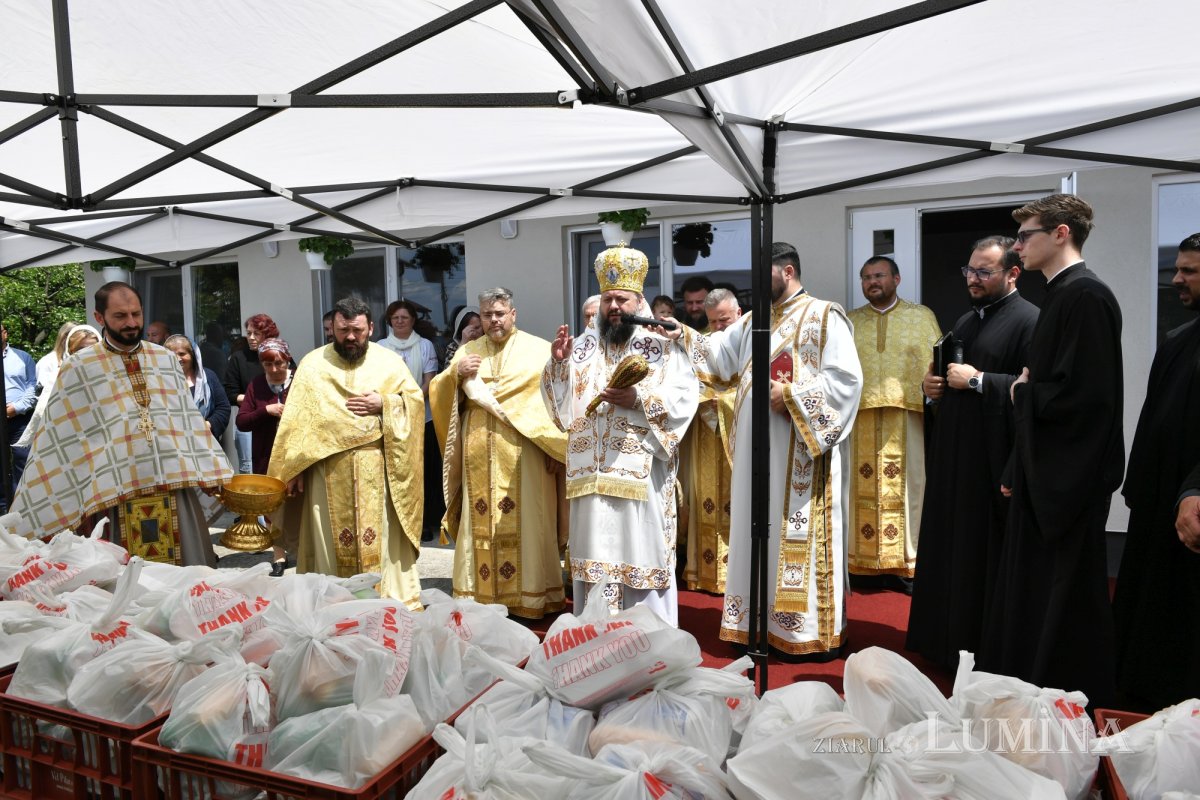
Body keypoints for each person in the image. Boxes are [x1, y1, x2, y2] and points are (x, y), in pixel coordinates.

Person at [683, 242, 862, 657]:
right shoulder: (752, 322)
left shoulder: (824, 315)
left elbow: (846, 381)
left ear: (788, 271)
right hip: (754, 455)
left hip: (797, 450)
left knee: (793, 532)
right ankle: (756, 625)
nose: (756, 284)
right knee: (755, 531)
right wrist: (679, 334)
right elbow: (718, 358)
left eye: (764, 274)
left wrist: (795, 395)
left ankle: (802, 631)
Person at [979, 194, 1123, 707]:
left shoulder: (1085, 297)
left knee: (1061, 597)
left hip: (1069, 482)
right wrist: (1019, 462)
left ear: (1061, 234)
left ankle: (1060, 697)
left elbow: (1088, 399)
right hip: (1044, 472)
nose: (1018, 247)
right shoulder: (1063, 295)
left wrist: (1022, 391)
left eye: (1026, 236)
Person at [7, 283, 230, 566]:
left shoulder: (164, 360)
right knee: (121, 577)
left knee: (185, 572)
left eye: (136, 314)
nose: (132, 323)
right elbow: (61, 437)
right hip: (111, 491)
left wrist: (209, 468)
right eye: (120, 316)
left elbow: (185, 421)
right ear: (99, 317)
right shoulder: (80, 367)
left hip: (170, 483)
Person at [543, 245, 698, 625]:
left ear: (639, 301)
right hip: (591, 483)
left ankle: (650, 643)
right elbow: (560, 409)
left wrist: (638, 400)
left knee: (639, 557)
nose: (614, 306)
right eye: (608, 298)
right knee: (594, 563)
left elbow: (685, 396)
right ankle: (595, 642)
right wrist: (559, 365)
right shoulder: (579, 348)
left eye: (622, 299)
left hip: (640, 477)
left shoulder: (662, 346)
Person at [905, 237, 1038, 669]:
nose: (973, 280)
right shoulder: (964, 321)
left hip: (991, 461)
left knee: (980, 557)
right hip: (954, 458)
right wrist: (932, 391)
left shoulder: (1030, 322)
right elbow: (949, 384)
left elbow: (1034, 395)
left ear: (1012, 273)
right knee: (949, 550)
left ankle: (976, 650)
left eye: (985, 272)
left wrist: (980, 380)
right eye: (969, 271)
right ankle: (942, 640)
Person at [268, 297, 425, 607]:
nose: (350, 337)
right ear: (333, 328)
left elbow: (415, 403)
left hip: (376, 469)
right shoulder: (314, 364)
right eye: (342, 330)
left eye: (357, 330)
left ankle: (385, 604)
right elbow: (296, 421)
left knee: (378, 543)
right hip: (325, 472)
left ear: (370, 328)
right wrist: (294, 468)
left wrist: (386, 403)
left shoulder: (389, 361)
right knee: (329, 547)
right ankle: (331, 607)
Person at [431, 288, 567, 619]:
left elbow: (555, 401)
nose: (494, 320)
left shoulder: (537, 350)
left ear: (513, 314)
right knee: (481, 521)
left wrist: (555, 446)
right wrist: (454, 374)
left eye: (500, 313)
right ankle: (480, 595)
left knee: (530, 522)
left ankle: (532, 596)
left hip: (526, 454)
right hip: (478, 453)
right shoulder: (466, 351)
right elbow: (440, 393)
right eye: (487, 314)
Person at [1112, 233, 1200, 709]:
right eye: (1177, 268)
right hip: (1157, 500)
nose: (1177, 279)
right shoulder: (1179, 339)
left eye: (1189, 271)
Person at [845, 256, 941, 592]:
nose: (872, 282)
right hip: (859, 419)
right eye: (866, 277)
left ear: (896, 279)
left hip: (907, 415)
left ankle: (906, 565)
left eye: (879, 275)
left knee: (910, 488)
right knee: (856, 490)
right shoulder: (851, 321)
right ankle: (861, 563)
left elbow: (934, 365)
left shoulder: (921, 316)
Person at [681, 287, 741, 595]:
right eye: (713, 322)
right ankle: (704, 572)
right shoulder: (700, 344)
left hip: (740, 438)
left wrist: (724, 404)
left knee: (739, 502)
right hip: (705, 436)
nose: (719, 327)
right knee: (705, 499)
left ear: (739, 314)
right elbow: (686, 385)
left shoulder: (756, 341)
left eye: (725, 320)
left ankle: (738, 573)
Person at [378, 299, 441, 541]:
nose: (400, 321)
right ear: (390, 321)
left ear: (413, 320)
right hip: (389, 417)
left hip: (420, 416)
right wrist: (393, 402)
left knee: (420, 471)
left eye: (405, 317)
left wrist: (409, 400)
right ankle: (395, 520)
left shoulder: (425, 346)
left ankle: (422, 521)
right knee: (394, 469)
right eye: (396, 318)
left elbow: (430, 381)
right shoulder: (381, 346)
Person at [236, 338, 298, 577]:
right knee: (271, 505)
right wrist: (265, 411)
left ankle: (301, 549)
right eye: (268, 365)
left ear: (287, 359)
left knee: (297, 501)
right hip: (266, 454)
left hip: (296, 454)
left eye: (279, 363)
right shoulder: (256, 385)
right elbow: (242, 421)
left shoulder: (299, 382)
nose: (274, 370)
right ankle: (279, 554)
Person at [17, 325, 101, 451]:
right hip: (68, 442)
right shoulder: (58, 377)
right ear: (70, 350)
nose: (88, 353)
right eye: (81, 349)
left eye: (93, 348)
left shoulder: (108, 373)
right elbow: (44, 412)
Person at [224, 314, 282, 474]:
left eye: (256, 333)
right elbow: (229, 392)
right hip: (250, 420)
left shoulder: (280, 355)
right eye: (248, 333)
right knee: (250, 469)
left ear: (268, 334)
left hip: (277, 422)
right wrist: (253, 402)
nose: (251, 338)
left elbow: (292, 383)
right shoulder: (239, 358)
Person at [164, 334, 231, 440]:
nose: (177, 358)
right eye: (171, 354)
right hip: (174, 442)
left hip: (206, 440)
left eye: (182, 354)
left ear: (193, 355)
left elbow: (223, 408)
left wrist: (208, 425)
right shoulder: (161, 382)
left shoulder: (209, 377)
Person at [2, 323, 37, 509]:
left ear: (5, 334)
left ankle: (23, 504)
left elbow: (33, 387)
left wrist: (15, 408)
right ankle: (2, 508)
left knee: (23, 461)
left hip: (20, 419)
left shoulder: (23, 357)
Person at [34, 322, 77, 395]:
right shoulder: (47, 362)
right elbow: (42, 394)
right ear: (64, 337)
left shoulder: (78, 359)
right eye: (75, 336)